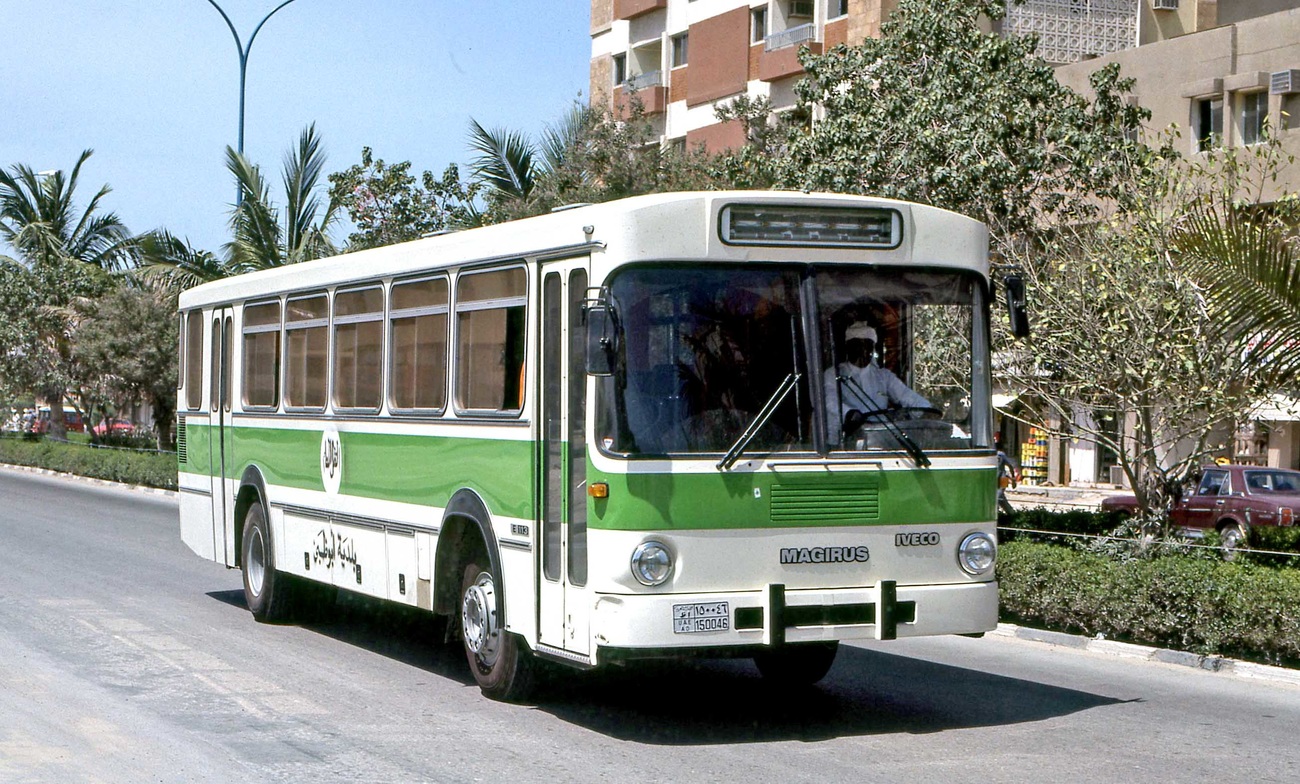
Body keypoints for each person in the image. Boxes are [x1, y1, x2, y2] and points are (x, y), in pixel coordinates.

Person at [823, 321, 932, 443]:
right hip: (844, 443)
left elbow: (908, 397)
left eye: (868, 346)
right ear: (848, 348)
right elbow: (829, 402)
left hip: (880, 442)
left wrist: (926, 411)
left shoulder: (884, 376)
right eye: (857, 346)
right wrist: (850, 414)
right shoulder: (834, 374)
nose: (863, 351)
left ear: (873, 349)